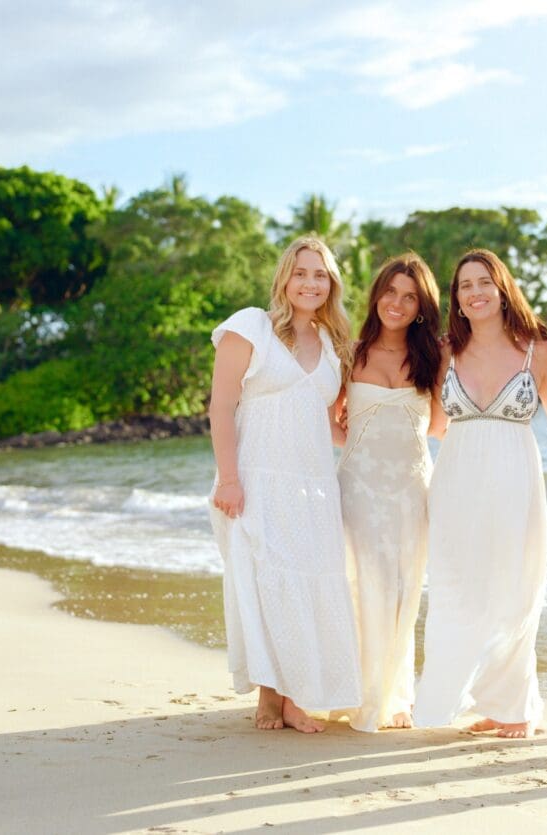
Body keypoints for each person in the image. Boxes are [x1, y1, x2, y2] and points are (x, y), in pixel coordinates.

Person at [208, 235, 362, 733]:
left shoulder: (335, 346)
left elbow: (329, 425)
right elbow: (221, 407)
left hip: (313, 487)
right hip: (256, 478)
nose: (310, 283)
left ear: (331, 284)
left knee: (300, 586)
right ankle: (280, 696)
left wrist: (388, 436)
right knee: (268, 583)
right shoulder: (251, 326)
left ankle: (284, 698)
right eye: (301, 273)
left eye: (320, 275)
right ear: (284, 278)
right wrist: (229, 479)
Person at [412, 248, 547, 739]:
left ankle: (515, 707)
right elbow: (434, 425)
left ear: (502, 290)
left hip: (516, 483)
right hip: (455, 483)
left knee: (515, 591)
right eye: (465, 286)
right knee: (455, 589)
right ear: (456, 299)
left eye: (484, 283)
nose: (475, 293)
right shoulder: (445, 353)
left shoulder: (537, 351)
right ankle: (465, 701)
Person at [336, 253, 444, 732]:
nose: (397, 303)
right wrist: (358, 442)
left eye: (410, 297)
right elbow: (329, 419)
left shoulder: (433, 357)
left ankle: (395, 694)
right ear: (377, 295)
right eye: (390, 292)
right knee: (360, 586)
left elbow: (440, 425)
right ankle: (355, 692)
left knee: (404, 589)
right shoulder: (350, 353)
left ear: (421, 307)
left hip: (410, 489)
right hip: (358, 486)